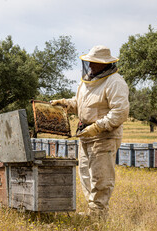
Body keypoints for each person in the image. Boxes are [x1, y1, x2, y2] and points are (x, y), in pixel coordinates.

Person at [51, 45, 129, 220]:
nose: (91, 66)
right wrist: (64, 103)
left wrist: (98, 126)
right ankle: (92, 213)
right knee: (86, 175)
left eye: (95, 63)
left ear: (105, 64)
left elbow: (120, 112)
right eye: (90, 62)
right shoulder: (87, 81)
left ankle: (99, 215)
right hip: (85, 135)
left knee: (101, 177)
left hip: (104, 136)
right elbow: (80, 103)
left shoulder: (115, 82)